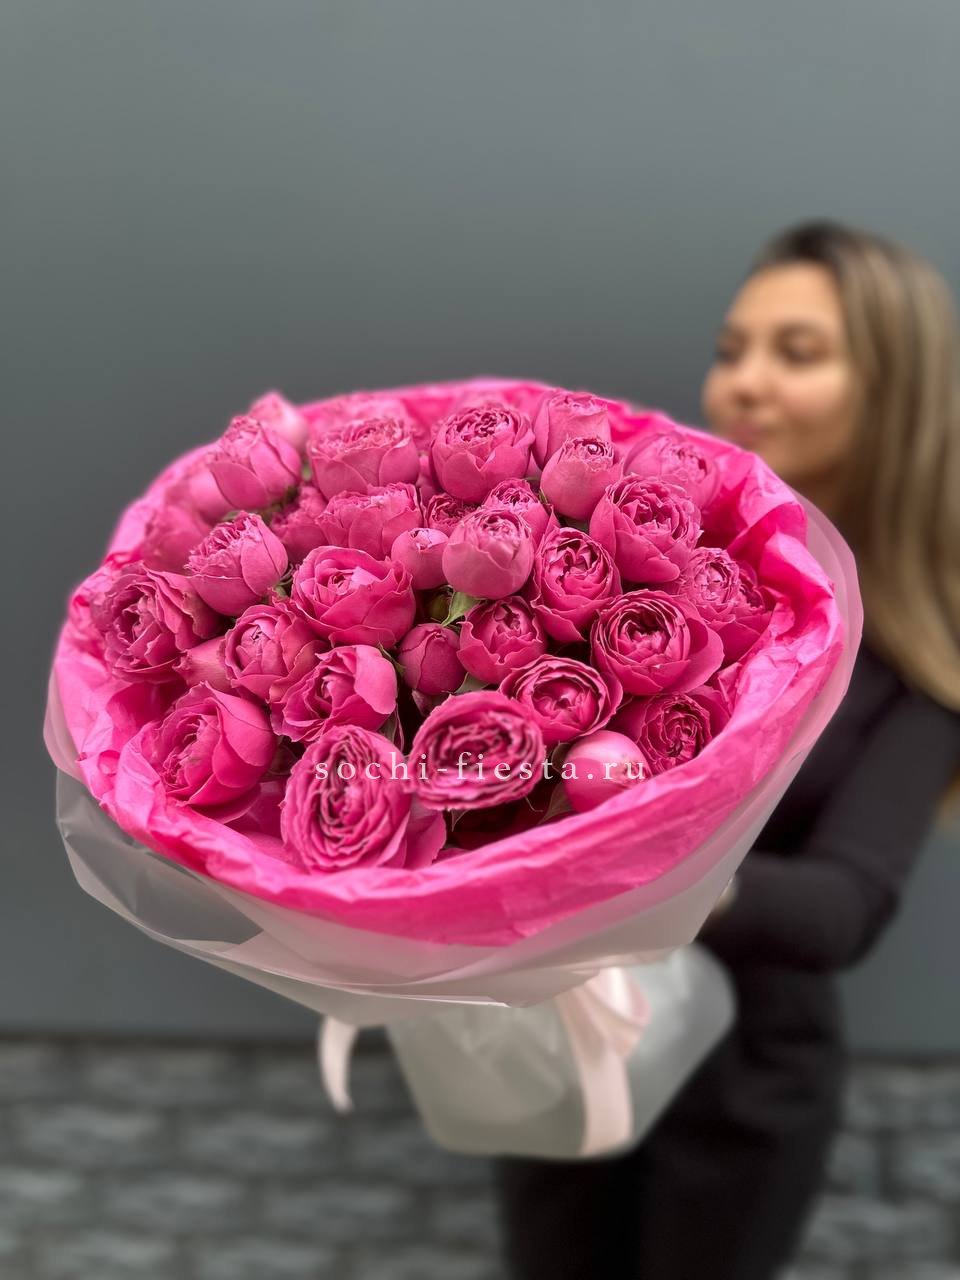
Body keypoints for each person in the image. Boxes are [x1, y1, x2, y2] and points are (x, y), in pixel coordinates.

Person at [493, 219, 960, 1280]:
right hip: (569, 1047)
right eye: (732, 348)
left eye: (798, 352)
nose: (745, 381)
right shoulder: (648, 577)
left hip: (743, 1090)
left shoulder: (918, 663)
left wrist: (647, 869)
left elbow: (844, 905)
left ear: (896, 391)